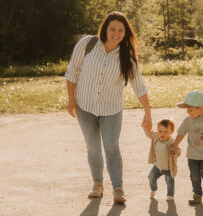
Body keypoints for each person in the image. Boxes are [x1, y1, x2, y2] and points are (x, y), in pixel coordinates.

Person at [65, 11, 152, 205]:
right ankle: (97, 184)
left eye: (121, 30)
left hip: (111, 109)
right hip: (85, 106)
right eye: (113, 29)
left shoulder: (127, 57)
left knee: (112, 147)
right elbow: (72, 72)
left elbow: (139, 86)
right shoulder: (87, 44)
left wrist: (147, 113)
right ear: (105, 28)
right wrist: (71, 100)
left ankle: (118, 189)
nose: (116, 33)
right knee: (93, 147)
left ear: (125, 33)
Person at [145, 118, 179, 201]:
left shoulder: (172, 142)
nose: (162, 134)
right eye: (160, 131)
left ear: (171, 132)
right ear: (157, 131)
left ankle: (170, 195)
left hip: (168, 168)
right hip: (157, 166)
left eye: (166, 132)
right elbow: (149, 134)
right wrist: (145, 128)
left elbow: (178, 151)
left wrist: (174, 152)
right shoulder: (156, 136)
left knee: (170, 181)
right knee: (151, 177)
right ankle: (153, 189)